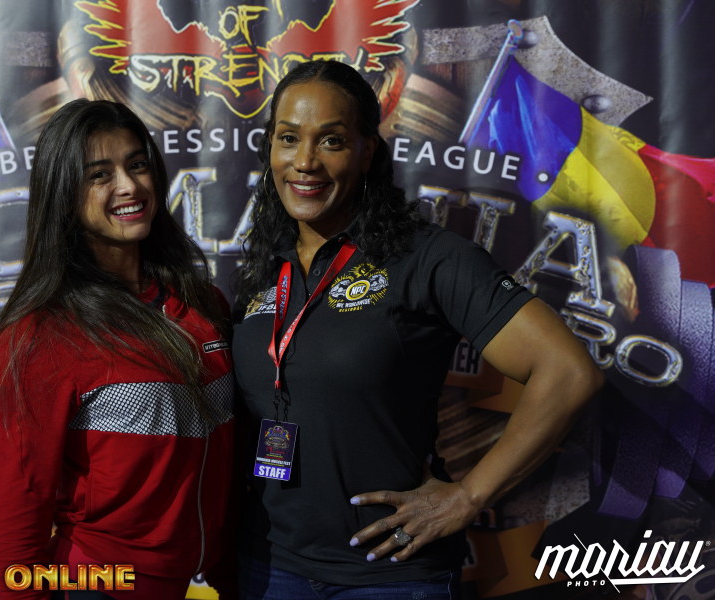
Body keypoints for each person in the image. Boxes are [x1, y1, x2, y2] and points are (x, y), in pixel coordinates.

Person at [231, 60, 603, 599]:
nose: (305, 161)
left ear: (366, 152)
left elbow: (568, 374)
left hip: (388, 577)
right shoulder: (267, 266)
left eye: (332, 140)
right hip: (268, 568)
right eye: (289, 138)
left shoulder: (426, 257)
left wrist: (469, 496)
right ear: (270, 147)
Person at [0, 100, 236, 600]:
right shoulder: (41, 333)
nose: (129, 186)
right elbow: (17, 513)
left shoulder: (203, 303)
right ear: (64, 196)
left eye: (137, 164)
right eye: (99, 174)